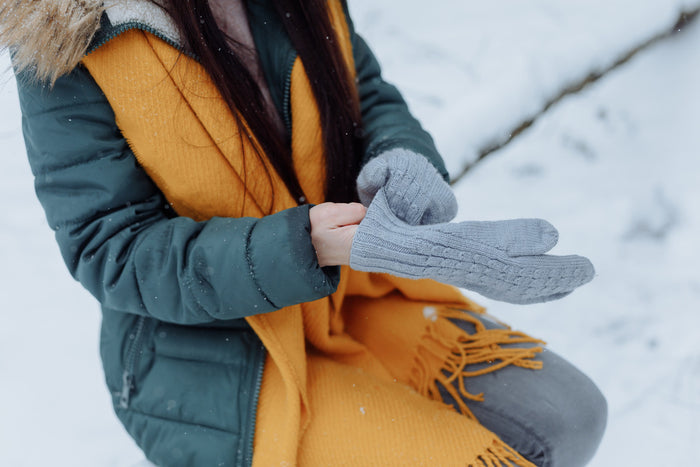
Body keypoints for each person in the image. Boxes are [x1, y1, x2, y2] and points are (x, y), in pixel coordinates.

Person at [1, 1, 607, 465]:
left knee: (571, 416)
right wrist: (303, 246)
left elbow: (364, 89)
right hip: (215, 358)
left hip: (355, 290)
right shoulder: (68, 40)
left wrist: (400, 156)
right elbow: (113, 251)